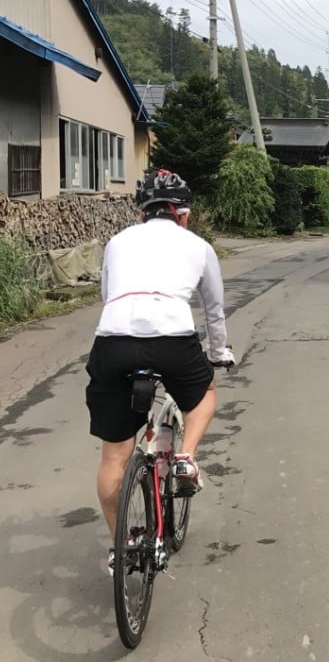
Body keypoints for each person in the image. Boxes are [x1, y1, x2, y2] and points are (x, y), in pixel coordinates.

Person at [85, 168, 235, 573]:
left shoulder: (117, 242)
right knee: (204, 395)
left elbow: (107, 294)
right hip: (172, 337)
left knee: (114, 456)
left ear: (142, 214)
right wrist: (219, 352)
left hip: (114, 340)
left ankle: (123, 544)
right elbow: (214, 310)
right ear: (183, 214)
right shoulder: (199, 246)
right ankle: (185, 457)